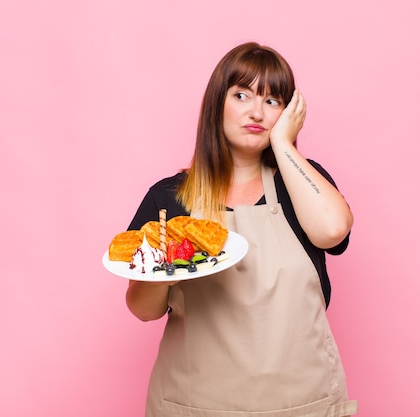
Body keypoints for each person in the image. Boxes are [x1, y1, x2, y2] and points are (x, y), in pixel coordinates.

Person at [125, 42, 357, 416]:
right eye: (242, 94)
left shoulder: (300, 183)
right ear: (218, 102)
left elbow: (332, 231)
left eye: (272, 101)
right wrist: (163, 260)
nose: (256, 112)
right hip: (195, 404)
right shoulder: (169, 197)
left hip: (302, 403)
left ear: (287, 112)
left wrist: (283, 144)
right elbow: (143, 309)